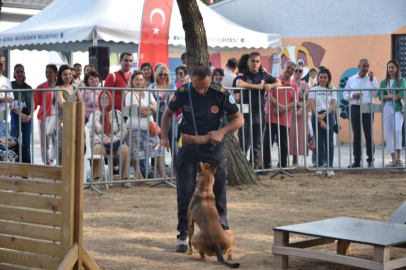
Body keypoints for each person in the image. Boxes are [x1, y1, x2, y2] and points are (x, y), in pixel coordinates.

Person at [157, 65, 244, 253]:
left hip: (213, 146)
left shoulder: (221, 93)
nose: (201, 90)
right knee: (185, 191)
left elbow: (239, 119)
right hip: (188, 144)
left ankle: (221, 231)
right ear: (192, 81)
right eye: (197, 87)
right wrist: (164, 138)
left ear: (211, 80)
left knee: (218, 190)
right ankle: (183, 234)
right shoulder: (182, 91)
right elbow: (167, 114)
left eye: (204, 87)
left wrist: (221, 132)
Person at [234, 52, 281, 168]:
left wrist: (270, 86)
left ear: (260, 63)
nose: (255, 63)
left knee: (257, 144)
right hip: (246, 113)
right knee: (244, 144)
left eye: (257, 61)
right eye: (253, 61)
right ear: (248, 62)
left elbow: (278, 82)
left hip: (260, 113)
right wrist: (257, 87)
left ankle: (254, 170)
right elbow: (238, 83)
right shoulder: (243, 74)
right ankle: (243, 169)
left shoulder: (263, 74)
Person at [125, 71, 167, 179]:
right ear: (132, 81)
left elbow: (155, 105)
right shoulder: (130, 93)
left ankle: (162, 174)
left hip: (149, 127)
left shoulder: (147, 92)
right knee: (136, 154)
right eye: (137, 79)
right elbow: (134, 108)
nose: (139, 82)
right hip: (134, 128)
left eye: (141, 79)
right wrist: (151, 108)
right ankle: (139, 177)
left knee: (158, 149)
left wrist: (150, 111)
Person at [86, 91, 130, 187]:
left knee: (125, 149)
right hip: (100, 142)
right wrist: (102, 140)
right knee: (97, 149)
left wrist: (112, 139)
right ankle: (96, 178)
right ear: (99, 100)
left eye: (107, 98)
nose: (104, 100)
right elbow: (90, 132)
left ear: (111, 100)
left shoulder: (117, 113)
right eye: (102, 98)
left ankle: (125, 178)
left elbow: (123, 131)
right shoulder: (94, 115)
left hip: (115, 143)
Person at [343, 59, 379, 168]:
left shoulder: (373, 79)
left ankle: (370, 160)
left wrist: (372, 81)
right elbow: (345, 94)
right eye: (364, 66)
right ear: (359, 66)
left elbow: (375, 95)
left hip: (368, 108)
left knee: (368, 134)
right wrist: (353, 96)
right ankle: (357, 160)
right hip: (355, 108)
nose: (366, 69)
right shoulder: (351, 79)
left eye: (367, 66)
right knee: (357, 135)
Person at [263, 61, 298, 172]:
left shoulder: (294, 85)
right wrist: (280, 106)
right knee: (268, 143)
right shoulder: (274, 80)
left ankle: (283, 166)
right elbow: (269, 96)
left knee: (284, 144)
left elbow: (295, 102)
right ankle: (266, 166)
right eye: (288, 67)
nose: (290, 70)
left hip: (284, 119)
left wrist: (283, 108)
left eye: (292, 69)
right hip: (271, 118)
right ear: (283, 67)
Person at [309, 68, 337, 175]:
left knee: (329, 142)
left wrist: (324, 116)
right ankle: (319, 166)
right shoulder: (313, 89)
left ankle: (329, 166)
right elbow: (312, 105)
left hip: (328, 115)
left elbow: (333, 104)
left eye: (325, 77)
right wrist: (320, 119)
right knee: (319, 142)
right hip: (316, 115)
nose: (323, 79)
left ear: (328, 78)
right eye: (321, 77)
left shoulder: (332, 89)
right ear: (318, 77)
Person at [379, 60, 405, 167]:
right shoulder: (383, 82)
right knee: (389, 133)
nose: (390, 69)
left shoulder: (401, 81)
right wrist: (391, 97)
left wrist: (388, 97)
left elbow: (400, 95)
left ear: (397, 69)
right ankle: (393, 160)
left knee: (397, 130)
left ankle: (398, 159)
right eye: (389, 67)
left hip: (398, 108)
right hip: (387, 107)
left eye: (392, 67)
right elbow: (381, 97)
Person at [55, 65, 83, 165]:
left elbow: (81, 102)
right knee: (62, 145)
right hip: (63, 120)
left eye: (70, 74)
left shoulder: (75, 87)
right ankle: (61, 168)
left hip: (76, 119)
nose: (68, 76)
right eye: (65, 74)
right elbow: (62, 103)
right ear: (60, 76)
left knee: (75, 144)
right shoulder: (58, 88)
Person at [35, 64, 58, 165]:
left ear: (56, 73)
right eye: (46, 72)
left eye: (50, 72)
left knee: (57, 141)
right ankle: (46, 162)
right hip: (44, 117)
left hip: (56, 118)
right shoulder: (41, 87)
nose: (48, 74)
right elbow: (35, 103)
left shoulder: (59, 86)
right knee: (45, 142)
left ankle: (52, 159)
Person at [10, 64, 32, 164]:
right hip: (15, 116)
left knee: (26, 143)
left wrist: (30, 115)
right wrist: (20, 114)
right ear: (14, 73)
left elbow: (33, 102)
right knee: (15, 142)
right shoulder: (10, 85)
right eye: (17, 72)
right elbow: (9, 102)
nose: (19, 73)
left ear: (24, 73)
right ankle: (17, 164)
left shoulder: (28, 87)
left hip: (27, 117)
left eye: (21, 71)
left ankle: (27, 164)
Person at [290, 64, 311, 165]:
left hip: (301, 113)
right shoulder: (289, 83)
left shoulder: (305, 85)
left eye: (300, 71)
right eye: (296, 70)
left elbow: (309, 100)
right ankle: (291, 159)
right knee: (291, 135)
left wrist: (301, 108)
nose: (297, 73)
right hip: (290, 111)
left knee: (299, 135)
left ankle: (297, 159)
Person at [0, 55, 13, 146]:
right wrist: (5, 99)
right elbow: (7, 99)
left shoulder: (7, 80)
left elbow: (11, 98)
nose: (2, 64)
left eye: (4, 62)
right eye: (0, 62)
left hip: (7, 117)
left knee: (6, 145)